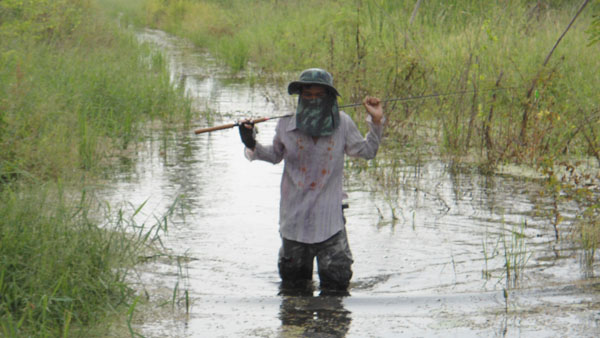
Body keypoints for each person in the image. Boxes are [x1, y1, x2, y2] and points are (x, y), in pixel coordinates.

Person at [238, 68, 384, 294]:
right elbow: (274, 155)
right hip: (294, 222)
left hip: (331, 222)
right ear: (300, 98)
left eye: (319, 96)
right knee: (293, 289)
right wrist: (250, 142)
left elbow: (367, 151)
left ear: (330, 99)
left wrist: (376, 121)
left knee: (337, 286)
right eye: (307, 96)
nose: (313, 100)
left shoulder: (342, 124)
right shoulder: (286, 125)